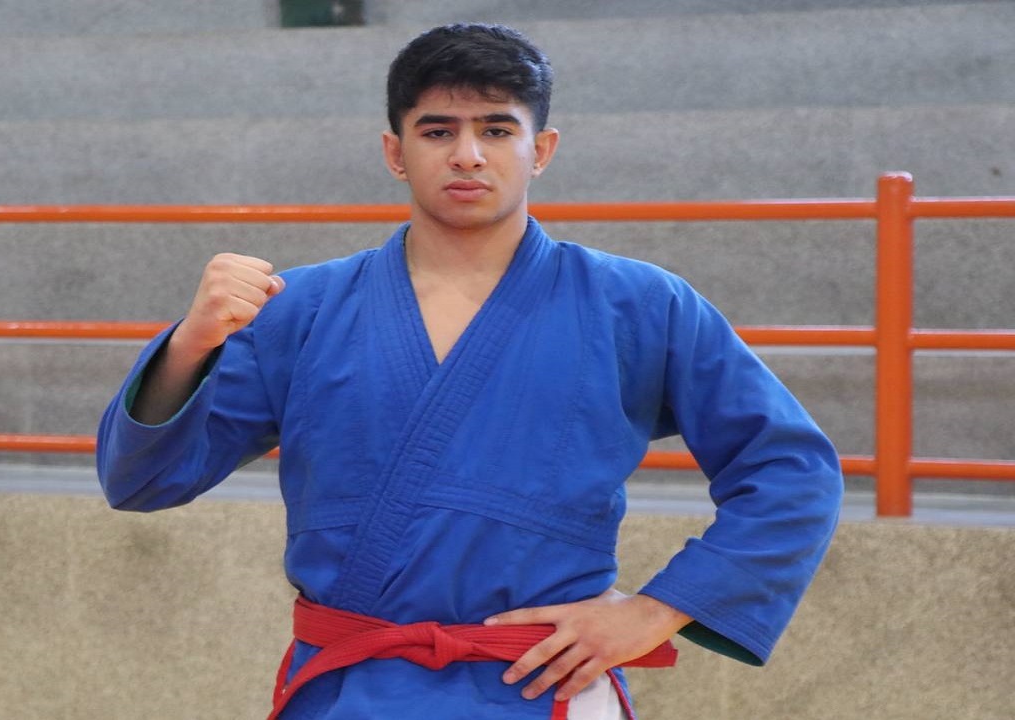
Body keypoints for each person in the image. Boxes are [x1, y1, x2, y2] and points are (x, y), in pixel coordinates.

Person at [96, 23, 843, 720]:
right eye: (437, 131)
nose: (467, 155)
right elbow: (141, 481)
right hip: (351, 685)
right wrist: (191, 344)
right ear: (395, 152)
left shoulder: (639, 304)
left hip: (544, 684)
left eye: (496, 129)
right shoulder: (301, 309)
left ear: (541, 148)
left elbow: (791, 469)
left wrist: (655, 611)